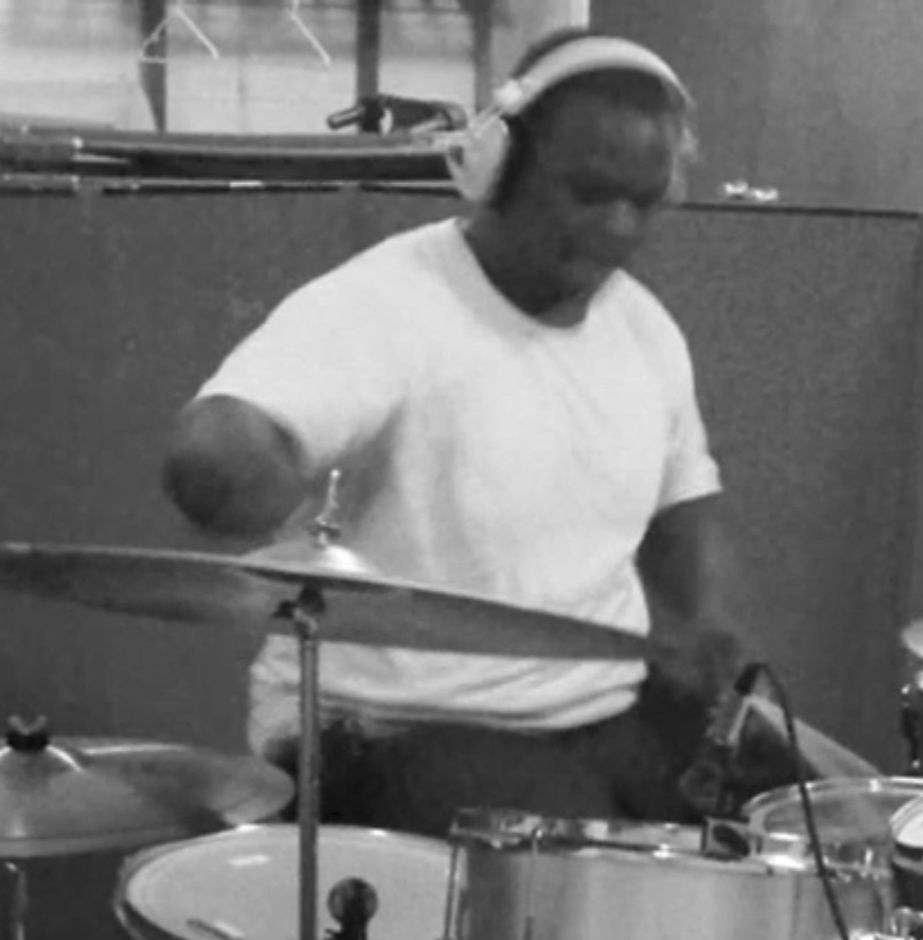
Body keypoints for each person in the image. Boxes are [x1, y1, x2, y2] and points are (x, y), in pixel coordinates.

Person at [162, 28, 777, 838]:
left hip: (592, 710)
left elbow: (680, 506)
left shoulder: (644, 328)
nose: (619, 228)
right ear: (495, 166)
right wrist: (233, 469)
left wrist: (714, 628)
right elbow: (225, 439)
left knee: (795, 827)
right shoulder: (386, 305)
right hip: (387, 727)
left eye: (643, 201)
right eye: (590, 194)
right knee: (577, 871)